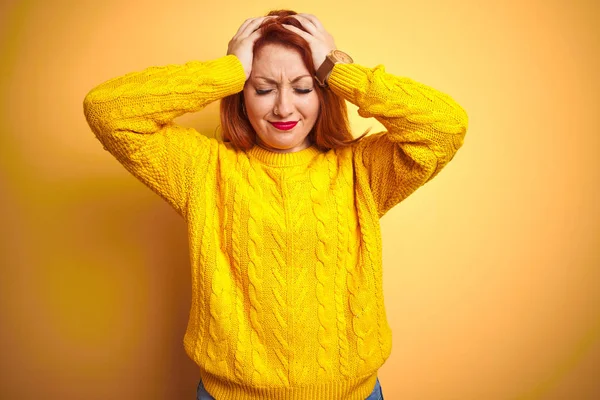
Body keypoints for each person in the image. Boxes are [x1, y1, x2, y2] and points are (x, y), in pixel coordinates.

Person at [83, 9, 468, 400]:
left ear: (324, 92)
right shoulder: (204, 168)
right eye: (263, 88)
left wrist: (338, 70)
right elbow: (108, 110)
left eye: (302, 88)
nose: (284, 108)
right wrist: (225, 71)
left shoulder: (362, 170)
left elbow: (446, 125)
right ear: (241, 94)